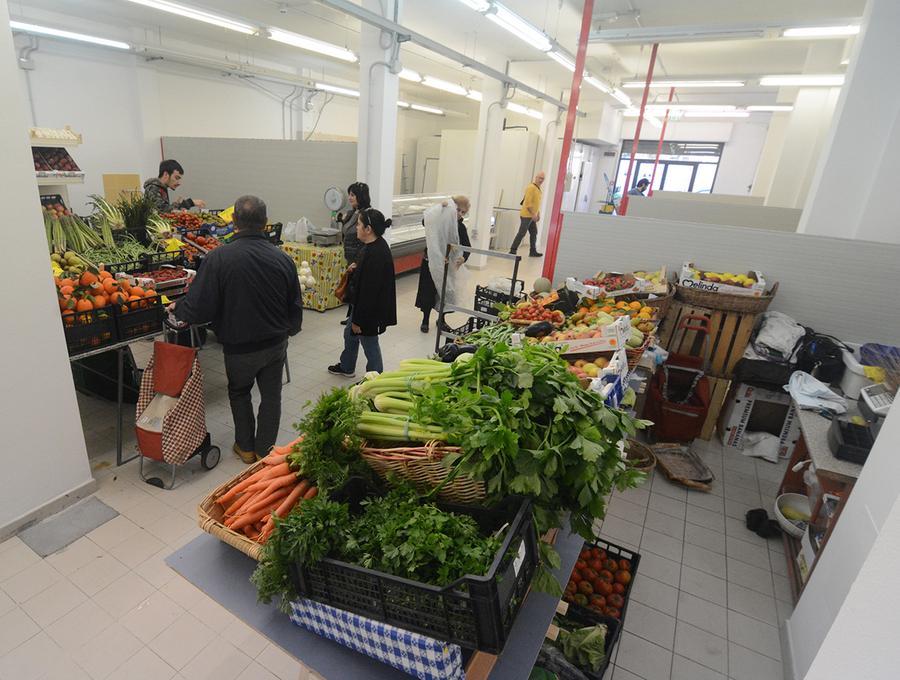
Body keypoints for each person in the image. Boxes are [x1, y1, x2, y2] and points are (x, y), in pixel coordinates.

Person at [170, 195, 302, 464]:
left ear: (233, 222)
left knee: (240, 392)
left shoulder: (218, 258)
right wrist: (290, 330)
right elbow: (295, 304)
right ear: (265, 223)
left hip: (239, 347)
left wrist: (178, 309)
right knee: (271, 396)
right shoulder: (283, 258)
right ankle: (265, 450)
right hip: (276, 344)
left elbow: (200, 308)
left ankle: (245, 447)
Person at [328, 208, 397, 378]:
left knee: (369, 342)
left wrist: (359, 320)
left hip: (368, 311)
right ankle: (347, 366)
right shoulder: (375, 245)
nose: (356, 228)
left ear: (368, 229)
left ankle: (376, 377)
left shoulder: (376, 254)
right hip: (362, 306)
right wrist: (355, 269)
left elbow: (369, 292)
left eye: (359, 224)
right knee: (350, 335)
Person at [415, 196, 471, 333]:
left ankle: (441, 319)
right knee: (428, 292)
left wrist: (463, 258)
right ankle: (425, 319)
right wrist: (440, 209)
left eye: (463, 212)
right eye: (457, 210)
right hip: (431, 264)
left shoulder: (461, 227)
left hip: (447, 267)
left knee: (445, 294)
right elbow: (425, 221)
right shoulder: (439, 221)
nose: (459, 214)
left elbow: (468, 247)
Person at [337, 182, 371, 325]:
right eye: (349, 195)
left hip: (358, 256)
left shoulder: (366, 214)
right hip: (350, 255)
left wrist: (358, 260)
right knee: (352, 285)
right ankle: (351, 316)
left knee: (357, 286)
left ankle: (354, 317)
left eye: (353, 195)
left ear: (360, 196)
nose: (350, 198)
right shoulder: (353, 212)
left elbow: (366, 239)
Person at [509, 171, 545, 257]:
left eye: (543, 179)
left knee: (534, 232)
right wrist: (533, 214)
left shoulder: (538, 189)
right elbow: (528, 203)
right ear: (535, 177)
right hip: (526, 215)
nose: (541, 180)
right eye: (539, 178)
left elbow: (536, 203)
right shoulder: (531, 188)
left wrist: (538, 214)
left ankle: (533, 251)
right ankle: (512, 251)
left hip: (532, 215)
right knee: (522, 233)